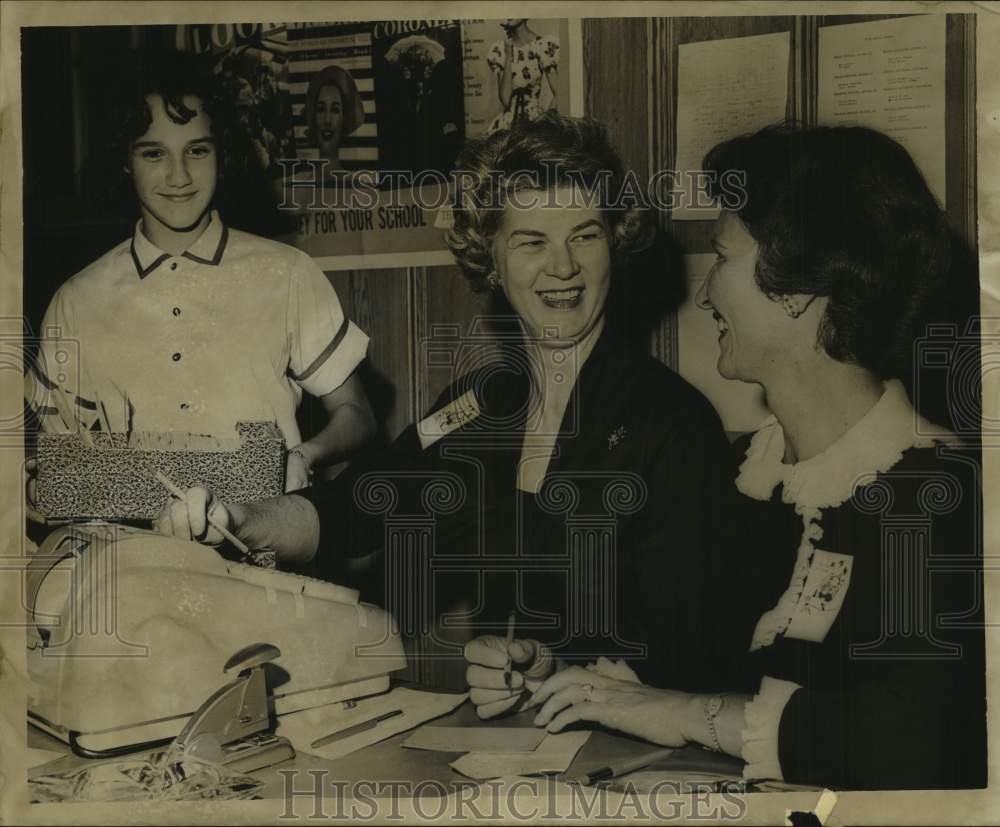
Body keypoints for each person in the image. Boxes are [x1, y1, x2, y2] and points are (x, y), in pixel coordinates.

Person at [154, 113, 739, 691]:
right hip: (532, 735)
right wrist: (240, 518)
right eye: (532, 242)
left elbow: (695, 656)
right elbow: (352, 508)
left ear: (614, 241)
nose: (564, 267)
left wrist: (564, 672)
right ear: (492, 257)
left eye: (584, 235)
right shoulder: (477, 404)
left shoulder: (674, 424)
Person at [499, 125, 987, 790]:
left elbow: (926, 739)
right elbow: (695, 661)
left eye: (724, 259)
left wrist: (692, 714)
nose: (705, 296)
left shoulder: (940, 491)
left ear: (794, 290)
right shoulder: (746, 478)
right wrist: (574, 679)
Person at [27, 52, 375, 493]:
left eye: (197, 150)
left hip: (265, 539)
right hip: (134, 549)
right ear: (124, 161)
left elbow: (357, 414)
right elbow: (53, 456)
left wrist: (305, 456)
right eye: (154, 153)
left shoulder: (287, 274)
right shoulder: (76, 302)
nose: (179, 176)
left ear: (222, 155)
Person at [486, 20, 559, 134]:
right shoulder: (500, 49)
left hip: (533, 124)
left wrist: (544, 121)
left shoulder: (542, 45)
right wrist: (509, 54)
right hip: (507, 125)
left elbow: (560, 93)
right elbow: (506, 100)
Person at [303, 64, 365, 170]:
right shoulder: (300, 181)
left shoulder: (356, 184)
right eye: (321, 109)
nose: (327, 120)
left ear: (345, 119)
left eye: (335, 110)